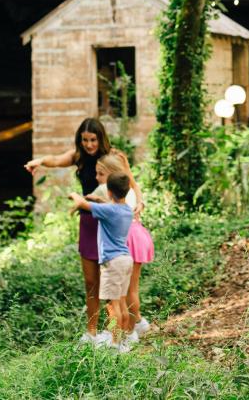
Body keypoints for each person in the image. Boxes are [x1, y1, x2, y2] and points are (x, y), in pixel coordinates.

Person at [24, 118, 145, 343]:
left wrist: (140, 202)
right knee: (91, 281)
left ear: (101, 138)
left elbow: (131, 182)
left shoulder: (114, 157)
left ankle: (120, 332)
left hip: (109, 222)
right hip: (89, 220)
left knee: (113, 281)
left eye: (93, 140)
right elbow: (57, 160)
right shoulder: (78, 156)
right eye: (85, 140)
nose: (89, 144)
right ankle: (91, 332)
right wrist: (38, 161)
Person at [86, 153, 155, 340]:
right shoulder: (128, 190)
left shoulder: (105, 190)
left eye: (101, 174)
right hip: (138, 234)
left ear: (111, 175)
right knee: (128, 291)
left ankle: (123, 335)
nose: (97, 178)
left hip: (127, 239)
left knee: (119, 296)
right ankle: (130, 330)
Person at [70, 172, 136, 352]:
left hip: (112, 263)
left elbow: (82, 204)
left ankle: (114, 345)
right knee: (121, 303)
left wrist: (74, 195)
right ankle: (122, 342)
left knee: (113, 306)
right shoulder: (126, 210)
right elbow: (110, 206)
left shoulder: (108, 210)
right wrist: (99, 199)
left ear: (108, 191)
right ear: (127, 190)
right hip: (126, 260)